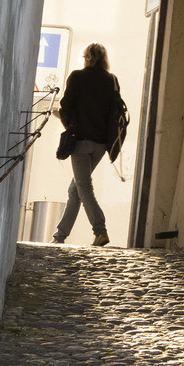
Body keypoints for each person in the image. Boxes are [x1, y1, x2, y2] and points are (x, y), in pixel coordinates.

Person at [53, 43, 126, 247]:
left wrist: (70, 127)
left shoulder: (77, 77)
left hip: (81, 142)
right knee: (75, 188)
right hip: (101, 146)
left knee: (83, 186)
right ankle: (60, 235)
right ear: (104, 59)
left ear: (85, 57)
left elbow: (65, 106)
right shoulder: (111, 80)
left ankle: (100, 231)